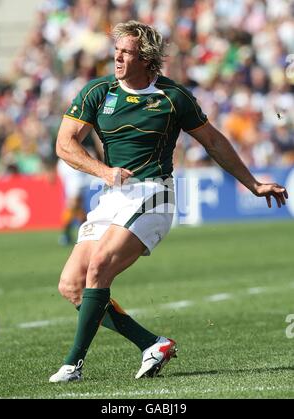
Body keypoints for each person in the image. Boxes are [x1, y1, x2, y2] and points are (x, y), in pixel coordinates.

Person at [49, 21, 288, 383]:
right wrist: (103, 171)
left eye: (126, 52)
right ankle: (152, 344)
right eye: (117, 50)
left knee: (98, 267)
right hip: (112, 193)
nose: (117, 56)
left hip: (153, 194)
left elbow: (214, 142)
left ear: (146, 59)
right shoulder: (97, 91)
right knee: (71, 285)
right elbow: (65, 144)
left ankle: (72, 365)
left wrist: (252, 183)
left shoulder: (173, 97)